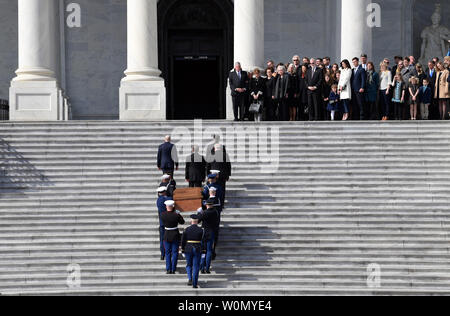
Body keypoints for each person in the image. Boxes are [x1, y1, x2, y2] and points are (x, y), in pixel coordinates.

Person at [181, 214, 207, 289]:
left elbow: (183, 241)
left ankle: (190, 278)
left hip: (188, 248)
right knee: (196, 266)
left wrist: (182, 250)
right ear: (197, 222)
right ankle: (194, 284)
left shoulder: (186, 229)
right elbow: (204, 241)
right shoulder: (201, 230)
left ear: (191, 221)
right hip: (198, 249)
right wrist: (204, 251)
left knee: (189, 265)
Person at [160, 200, 185, 274]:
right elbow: (182, 222)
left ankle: (168, 269)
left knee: (167, 253)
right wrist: (179, 214)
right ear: (173, 206)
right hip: (175, 235)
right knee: (175, 252)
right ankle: (173, 269)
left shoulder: (162, 214)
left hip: (167, 235)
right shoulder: (176, 215)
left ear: (166, 206)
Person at [198, 198, 220, 274]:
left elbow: (198, 220)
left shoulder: (204, 213)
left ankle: (202, 267)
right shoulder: (215, 212)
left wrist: (199, 213)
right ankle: (207, 268)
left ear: (207, 205)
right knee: (209, 250)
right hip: (212, 231)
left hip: (204, 232)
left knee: (203, 251)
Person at [156, 187, 170, 260]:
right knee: (168, 239)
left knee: (162, 239)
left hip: (162, 222)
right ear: (164, 192)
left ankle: (162, 254)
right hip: (167, 222)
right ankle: (167, 253)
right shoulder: (167, 199)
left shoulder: (158, 200)